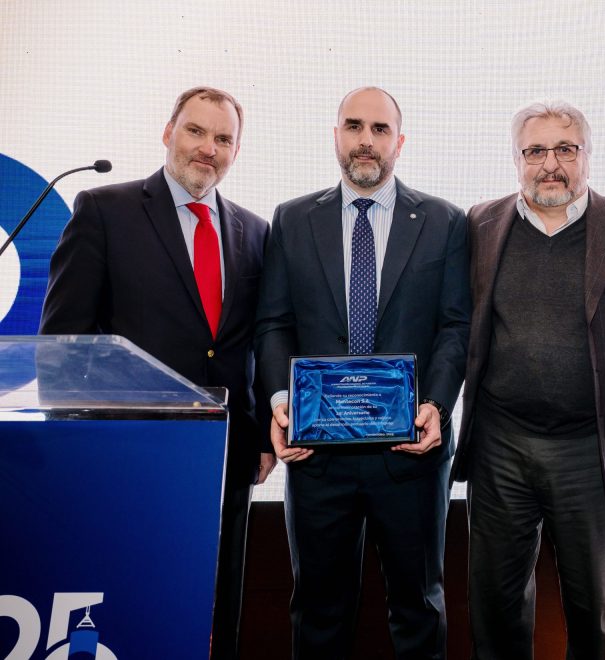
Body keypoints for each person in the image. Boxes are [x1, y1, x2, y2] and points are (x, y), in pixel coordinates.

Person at [450, 101, 605, 660]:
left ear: (587, 155)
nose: (550, 165)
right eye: (535, 151)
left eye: (565, 149)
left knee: (596, 613)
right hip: (501, 446)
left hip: (593, 450)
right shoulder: (480, 224)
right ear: (516, 159)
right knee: (494, 608)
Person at [39, 86, 275, 659]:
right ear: (168, 132)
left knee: (218, 606)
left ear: (236, 152)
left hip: (226, 457)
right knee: (131, 609)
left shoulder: (255, 231)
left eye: (223, 139)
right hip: (128, 456)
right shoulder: (103, 211)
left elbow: (253, 342)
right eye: (196, 131)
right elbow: (62, 344)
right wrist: (78, 443)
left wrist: (264, 429)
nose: (208, 149)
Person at [254, 86, 470, 660]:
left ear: (399, 141)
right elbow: (273, 323)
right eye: (354, 126)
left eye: (379, 129)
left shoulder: (445, 221)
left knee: (419, 606)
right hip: (317, 458)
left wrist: (438, 405)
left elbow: (455, 327)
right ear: (336, 136)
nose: (366, 140)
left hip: (412, 453)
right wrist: (281, 399)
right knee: (318, 609)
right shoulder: (293, 219)